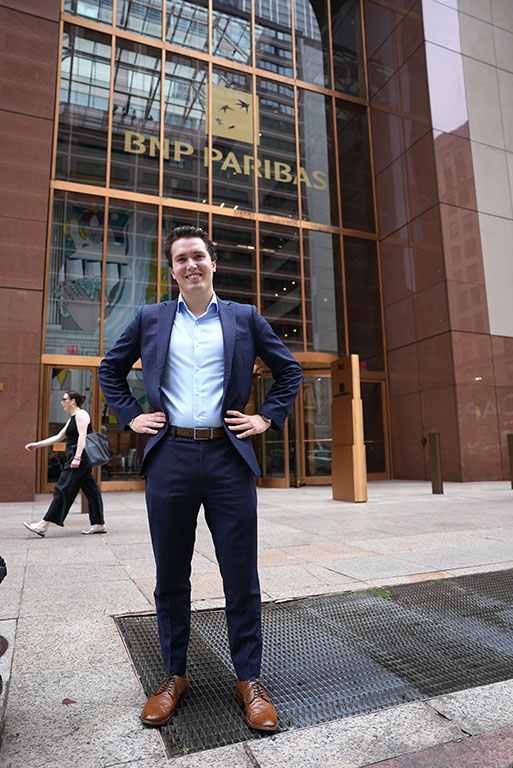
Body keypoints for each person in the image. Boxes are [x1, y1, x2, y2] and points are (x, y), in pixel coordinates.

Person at [98, 225, 302, 731]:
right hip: (170, 458)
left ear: (213, 264)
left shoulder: (244, 318)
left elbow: (289, 372)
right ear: (172, 270)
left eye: (198, 257)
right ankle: (173, 676)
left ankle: (249, 679)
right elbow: (109, 370)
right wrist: (130, 417)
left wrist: (265, 419)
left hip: (228, 457)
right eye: (181, 259)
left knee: (240, 573)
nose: (191, 265)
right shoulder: (150, 318)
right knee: (171, 574)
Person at [23, 391, 106, 537]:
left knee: (62, 489)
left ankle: (43, 524)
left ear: (73, 401)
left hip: (78, 460)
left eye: (64, 399)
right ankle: (99, 524)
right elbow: (58, 437)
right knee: (92, 491)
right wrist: (37, 445)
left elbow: (83, 436)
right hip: (77, 459)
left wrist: (77, 458)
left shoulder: (82, 415)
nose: (62, 402)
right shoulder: (72, 418)